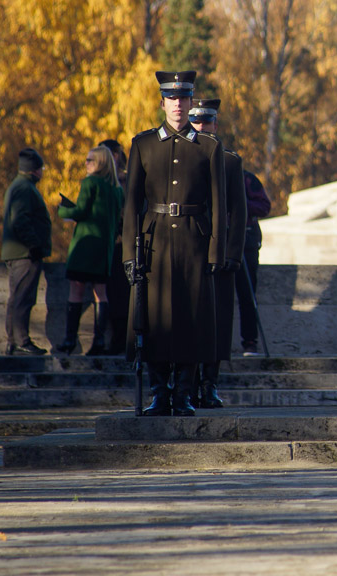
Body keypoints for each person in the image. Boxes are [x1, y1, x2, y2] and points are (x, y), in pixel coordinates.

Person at [123, 71, 228, 416]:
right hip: (154, 245)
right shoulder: (144, 144)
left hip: (193, 244)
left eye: (184, 98)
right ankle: (159, 392)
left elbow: (219, 206)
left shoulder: (209, 148)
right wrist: (129, 252)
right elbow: (131, 204)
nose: (178, 105)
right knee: (152, 321)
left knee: (191, 321)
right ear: (163, 101)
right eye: (172, 98)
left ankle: (183, 392)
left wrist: (215, 251)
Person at [188, 98, 246, 408]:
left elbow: (239, 214)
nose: (200, 126)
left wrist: (233, 255)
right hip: (190, 251)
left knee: (219, 323)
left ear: (215, 124)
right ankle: (187, 382)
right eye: (195, 121)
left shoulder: (230, 161)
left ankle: (209, 383)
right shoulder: (180, 158)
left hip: (220, 255)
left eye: (206, 121)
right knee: (189, 322)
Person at [55, 146, 124, 355]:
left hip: (85, 246)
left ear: (101, 162)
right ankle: (99, 341)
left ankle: (69, 340)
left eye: (90, 159)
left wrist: (63, 210)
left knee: (76, 290)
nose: (86, 163)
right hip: (105, 248)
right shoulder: (117, 189)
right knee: (100, 294)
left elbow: (81, 211)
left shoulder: (90, 182)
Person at [1, 147, 51, 355]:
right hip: (24, 253)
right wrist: (33, 245)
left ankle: (15, 341)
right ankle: (20, 340)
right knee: (23, 298)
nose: (42, 172)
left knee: (17, 297)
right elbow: (20, 219)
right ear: (34, 170)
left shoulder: (20, 186)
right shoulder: (24, 188)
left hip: (20, 252)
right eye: (40, 168)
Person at [98, 139, 130, 354]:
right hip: (108, 245)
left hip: (122, 246)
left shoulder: (126, 183)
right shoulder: (103, 182)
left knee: (120, 295)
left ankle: (121, 340)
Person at [238, 168, 271, 355]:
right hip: (219, 241)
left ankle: (250, 341)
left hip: (246, 242)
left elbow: (264, 206)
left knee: (247, 294)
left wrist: (240, 204)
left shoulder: (246, 178)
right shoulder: (208, 175)